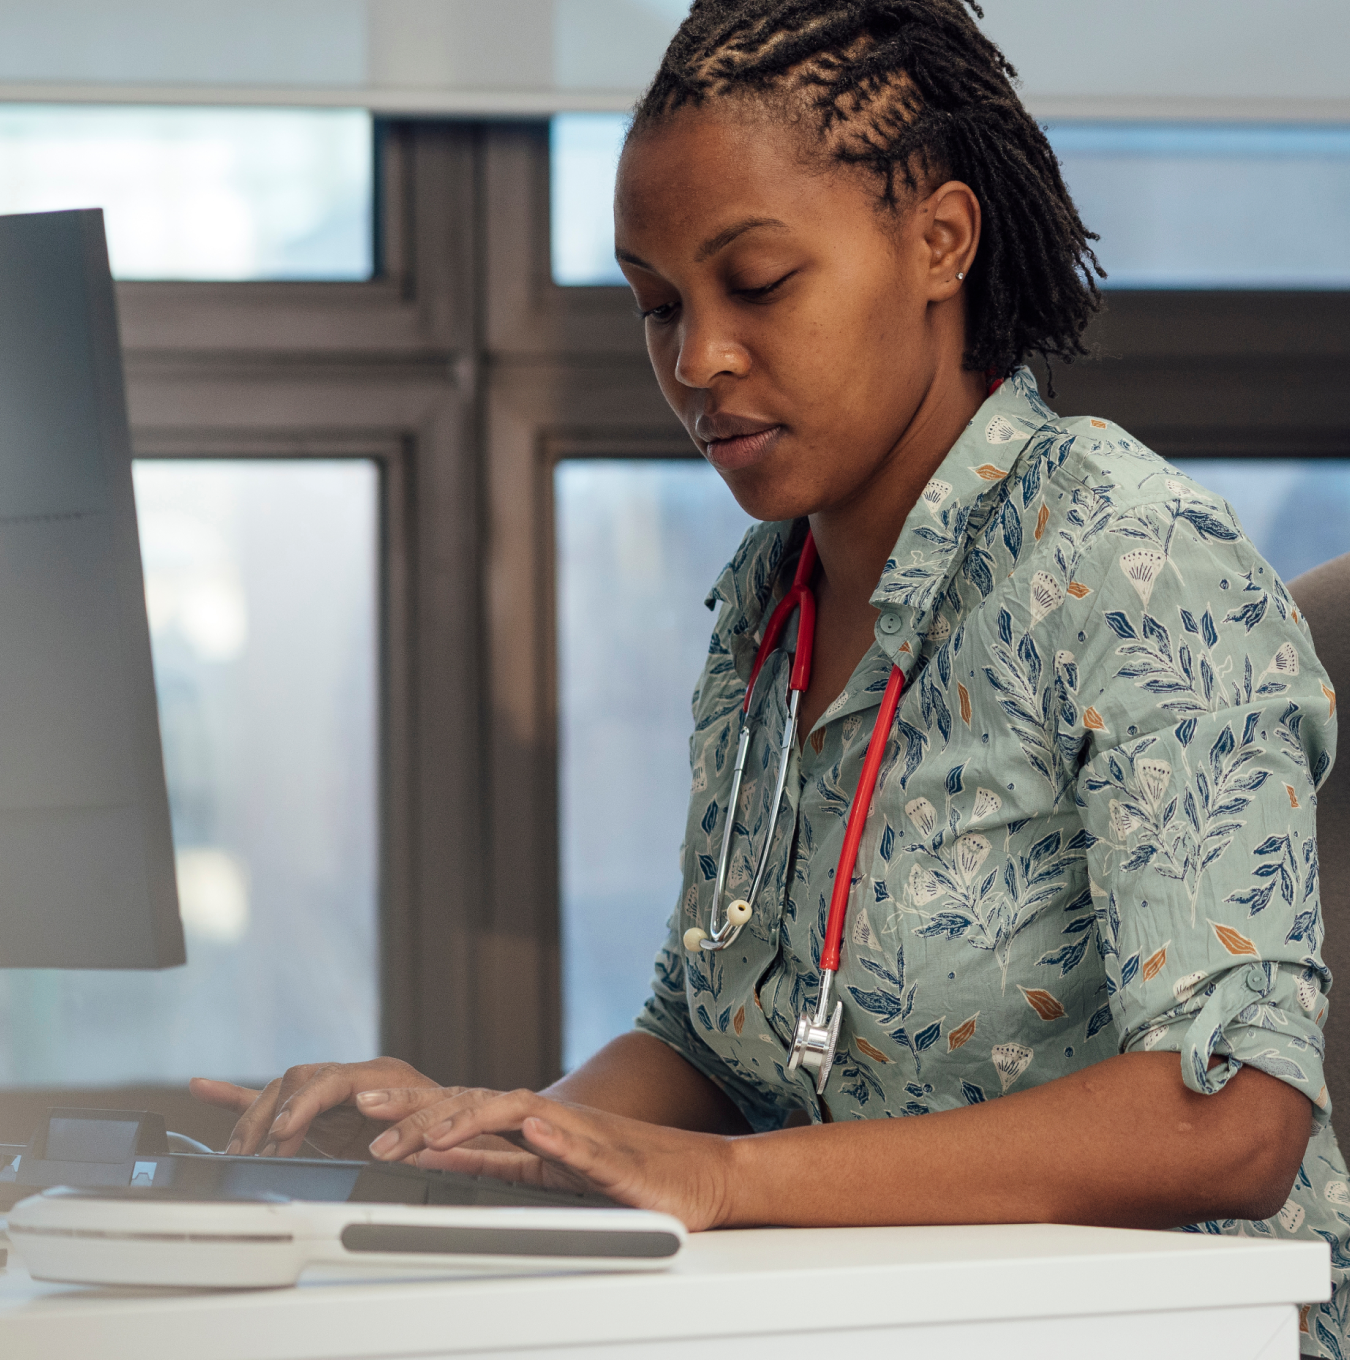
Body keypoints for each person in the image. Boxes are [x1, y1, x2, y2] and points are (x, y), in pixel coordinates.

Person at [193, 1, 1349, 1351]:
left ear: (939, 243)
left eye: (756, 282)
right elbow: (705, 1038)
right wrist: (489, 1142)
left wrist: (728, 1183)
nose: (696, 361)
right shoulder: (767, 600)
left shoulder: (1133, 563)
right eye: (657, 304)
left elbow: (1228, 1124)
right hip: (868, 1317)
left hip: (1159, 1330)